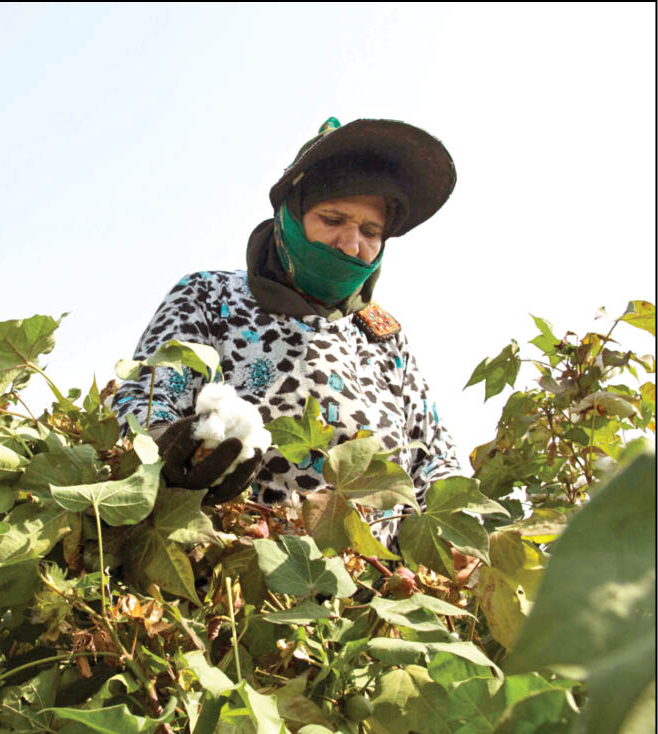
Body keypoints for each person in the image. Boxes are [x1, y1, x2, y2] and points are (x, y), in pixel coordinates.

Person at [113, 116, 463, 553]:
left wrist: (456, 537)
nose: (351, 244)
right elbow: (141, 401)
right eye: (332, 219)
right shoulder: (210, 295)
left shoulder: (383, 337)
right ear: (289, 218)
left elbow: (435, 458)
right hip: (233, 583)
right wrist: (168, 443)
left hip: (369, 597)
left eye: (370, 231)